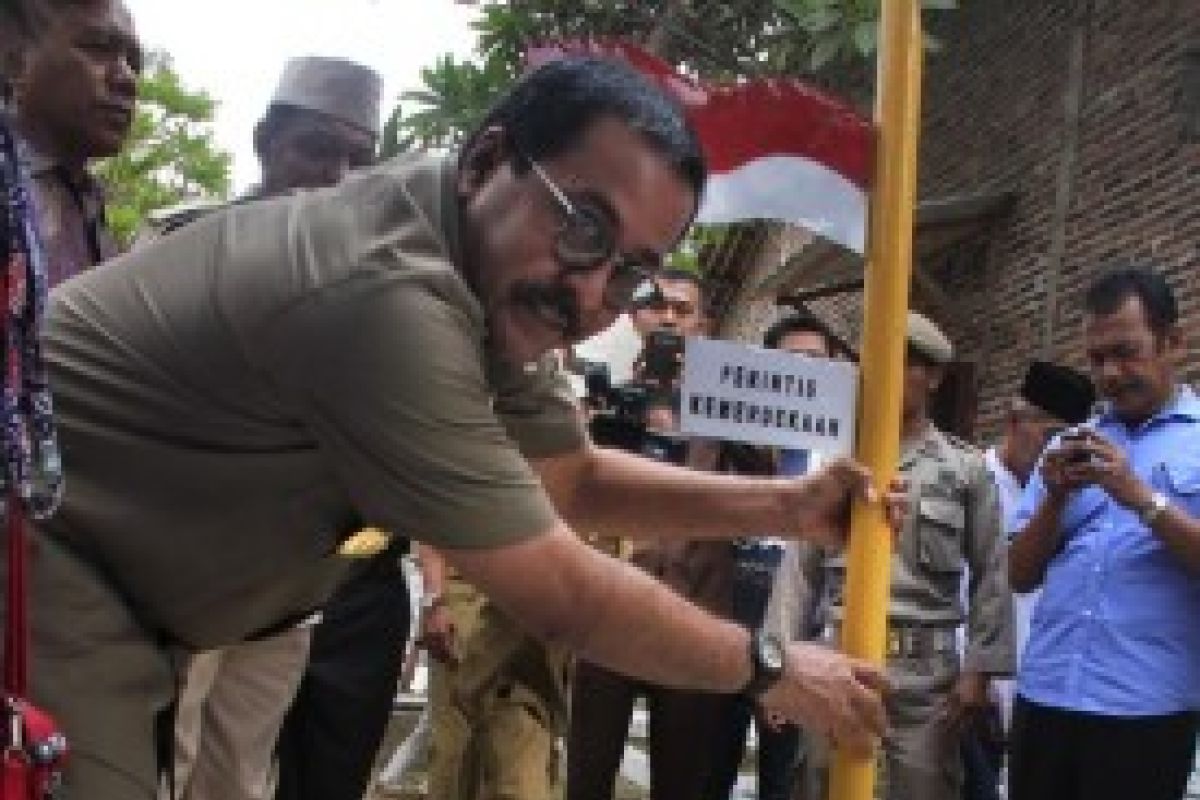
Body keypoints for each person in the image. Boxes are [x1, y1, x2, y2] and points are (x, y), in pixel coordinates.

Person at [13, 57, 898, 800]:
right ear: (486, 160)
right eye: (583, 226)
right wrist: (777, 665)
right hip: (51, 570)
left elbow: (576, 479)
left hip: (143, 605)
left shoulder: (478, 268)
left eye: (630, 272)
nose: (591, 295)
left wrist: (786, 506)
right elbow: (563, 591)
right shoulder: (386, 296)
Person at [149, 55, 387, 800]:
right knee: (157, 765)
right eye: (318, 149)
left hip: (290, 585)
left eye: (359, 159)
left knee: (239, 776)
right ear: (265, 142)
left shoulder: (377, 290)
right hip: (173, 572)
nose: (337, 176)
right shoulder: (180, 248)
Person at [768, 311, 1014, 800]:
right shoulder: (838, 464)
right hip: (840, 662)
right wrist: (778, 661)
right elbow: (799, 570)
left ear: (935, 377)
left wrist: (979, 670)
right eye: (877, 361)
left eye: (907, 364)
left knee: (923, 787)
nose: (887, 375)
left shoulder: (962, 470)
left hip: (927, 679)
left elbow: (993, 568)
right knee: (824, 784)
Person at [1007, 267, 1200, 800]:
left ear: (1173, 342)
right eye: (1096, 359)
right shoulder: (1070, 442)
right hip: (1045, 694)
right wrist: (1054, 499)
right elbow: (1019, 576)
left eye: (1126, 352)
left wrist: (1137, 495)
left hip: (1143, 708)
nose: (1110, 373)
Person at [567, 268, 738, 800]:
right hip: (606, 615)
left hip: (696, 614)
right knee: (587, 777)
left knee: (684, 781)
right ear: (634, 316)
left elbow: (783, 474)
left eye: (683, 310)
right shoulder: (599, 400)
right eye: (657, 306)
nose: (668, 318)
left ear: (704, 327)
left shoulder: (735, 413)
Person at [701, 311, 843, 800]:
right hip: (727, 610)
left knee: (784, 776)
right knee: (709, 762)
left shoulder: (846, 453)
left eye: (816, 361)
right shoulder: (728, 437)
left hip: (800, 626)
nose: (803, 371)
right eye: (791, 361)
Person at [962, 362, 1093, 800]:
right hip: (968, 691)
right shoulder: (967, 481)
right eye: (1049, 434)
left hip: (1038, 696)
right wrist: (976, 673)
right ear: (1016, 422)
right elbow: (955, 589)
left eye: (1068, 439)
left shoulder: (1076, 495)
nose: (1055, 449)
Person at [3, 0, 139, 284]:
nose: (127, 78)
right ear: (15, 63)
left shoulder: (88, 204)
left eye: (134, 62)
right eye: (98, 48)